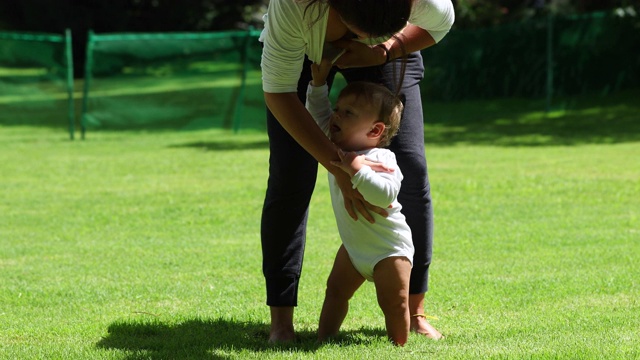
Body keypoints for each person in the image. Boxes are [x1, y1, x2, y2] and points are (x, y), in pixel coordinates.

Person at [259, 0, 455, 342]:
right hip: (305, 55)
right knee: (291, 175)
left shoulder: (425, 5)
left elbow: (439, 24)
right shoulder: (294, 8)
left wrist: (385, 50)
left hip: (385, 52)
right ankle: (281, 322)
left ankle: (414, 312)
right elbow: (279, 93)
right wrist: (339, 167)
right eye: (353, 33)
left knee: (411, 166)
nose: (352, 40)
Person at [306, 59, 413, 345]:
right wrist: (318, 85)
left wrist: (356, 168)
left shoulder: (381, 159)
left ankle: (398, 346)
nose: (335, 116)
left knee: (394, 303)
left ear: (375, 131)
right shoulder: (335, 149)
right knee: (335, 291)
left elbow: (384, 194)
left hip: (389, 249)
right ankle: (324, 339)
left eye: (348, 113)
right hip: (354, 249)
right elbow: (315, 118)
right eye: (338, 109)